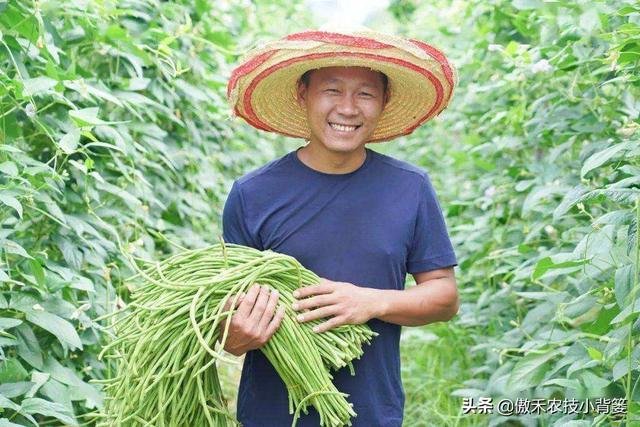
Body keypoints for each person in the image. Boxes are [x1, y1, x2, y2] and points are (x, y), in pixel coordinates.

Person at [221, 28, 459, 427]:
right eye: (332, 90)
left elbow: (444, 297)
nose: (348, 108)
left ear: (383, 103)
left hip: (371, 413)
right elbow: (227, 321)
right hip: (272, 415)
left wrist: (371, 302)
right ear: (303, 95)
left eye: (365, 93)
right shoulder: (252, 193)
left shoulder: (409, 187)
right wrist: (235, 334)